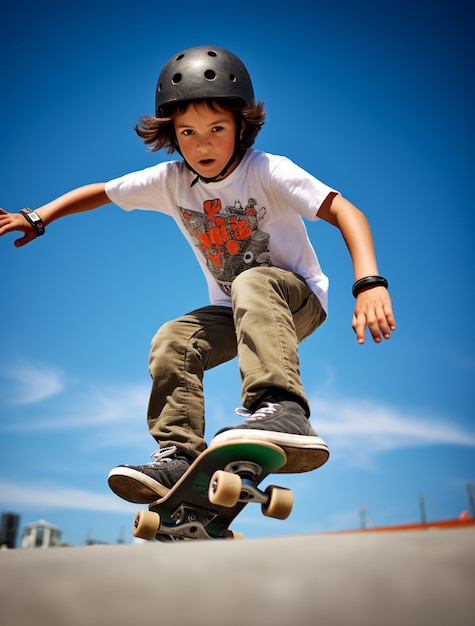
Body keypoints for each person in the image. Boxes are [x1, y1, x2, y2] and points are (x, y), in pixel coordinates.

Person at [0, 46, 396, 503]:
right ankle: (178, 455)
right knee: (174, 340)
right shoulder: (170, 181)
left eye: (216, 129)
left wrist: (369, 282)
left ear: (240, 128)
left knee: (254, 280)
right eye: (187, 132)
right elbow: (102, 192)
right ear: (171, 133)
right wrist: (39, 216)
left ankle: (282, 409)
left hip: (295, 301)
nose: (201, 144)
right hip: (234, 311)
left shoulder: (268, 170)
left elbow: (346, 211)